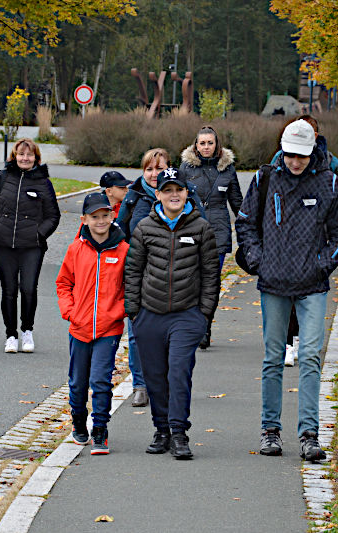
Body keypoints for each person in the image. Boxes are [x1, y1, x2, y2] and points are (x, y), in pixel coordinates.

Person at [236, 119, 338, 462]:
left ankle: (309, 434)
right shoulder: (265, 178)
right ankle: (270, 430)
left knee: (311, 358)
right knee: (273, 358)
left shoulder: (328, 181)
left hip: (312, 284)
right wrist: (259, 260)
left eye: (301, 156)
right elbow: (245, 223)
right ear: (282, 149)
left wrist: (322, 264)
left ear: (312, 149)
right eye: (289, 155)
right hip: (273, 282)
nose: (295, 162)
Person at [125, 167, 219, 460]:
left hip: (186, 314)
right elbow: (133, 271)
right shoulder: (144, 228)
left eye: (178, 189)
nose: (174, 195)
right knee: (155, 376)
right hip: (149, 315)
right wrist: (134, 313)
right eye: (168, 190)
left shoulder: (200, 228)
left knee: (179, 373)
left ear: (186, 193)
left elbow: (210, 274)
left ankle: (179, 432)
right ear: (158, 194)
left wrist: (204, 315)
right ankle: (161, 429)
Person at [116, 149, 204, 408]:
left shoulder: (183, 195)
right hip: (141, 276)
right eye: (149, 169)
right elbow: (120, 232)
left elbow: (202, 232)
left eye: (159, 168)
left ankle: (167, 380)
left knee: (170, 334)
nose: (154, 174)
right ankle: (140, 385)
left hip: (177, 279)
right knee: (137, 333)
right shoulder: (133, 196)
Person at [269, 115, 338, 367]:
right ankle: (287, 341)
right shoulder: (277, 161)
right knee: (285, 298)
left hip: (315, 238)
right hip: (282, 242)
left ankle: (301, 340)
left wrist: (329, 213)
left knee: (306, 296)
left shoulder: (331, 163)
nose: (295, 161)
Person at [56, 192, 129, 455]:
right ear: (85, 219)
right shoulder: (76, 249)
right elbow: (63, 283)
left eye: (105, 216)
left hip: (108, 329)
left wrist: (119, 311)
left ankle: (100, 429)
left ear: (112, 216)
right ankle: (78, 422)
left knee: (101, 380)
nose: (101, 221)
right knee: (77, 382)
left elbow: (131, 288)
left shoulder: (123, 250)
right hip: (79, 327)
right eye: (95, 217)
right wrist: (70, 312)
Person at [0, 138, 61, 353]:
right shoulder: (2, 178)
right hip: (4, 244)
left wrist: (38, 234)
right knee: (9, 290)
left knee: (28, 289)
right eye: (21, 154)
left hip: (32, 246)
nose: (25, 158)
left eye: (29, 155)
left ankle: (27, 331)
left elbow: (53, 216)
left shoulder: (44, 183)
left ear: (36, 158)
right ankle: (11, 334)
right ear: (14, 156)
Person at [179, 125, 243, 349]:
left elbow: (238, 203)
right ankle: (192, 325)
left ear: (217, 145)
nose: (206, 147)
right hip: (192, 230)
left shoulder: (227, 169)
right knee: (192, 282)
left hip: (219, 230)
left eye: (210, 143)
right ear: (196, 145)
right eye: (202, 143)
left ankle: (205, 326)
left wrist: (249, 231)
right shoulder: (186, 168)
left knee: (211, 283)